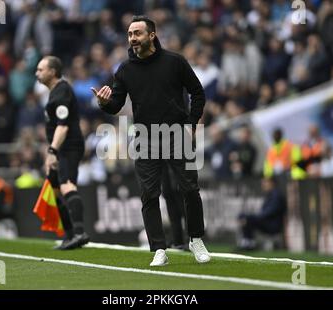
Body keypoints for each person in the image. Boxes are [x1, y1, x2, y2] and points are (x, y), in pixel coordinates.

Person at [91, 15, 210, 266]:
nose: (132, 38)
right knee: (149, 195)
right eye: (130, 34)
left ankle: (196, 239)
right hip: (144, 138)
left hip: (177, 134)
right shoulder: (125, 70)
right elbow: (116, 105)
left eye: (137, 33)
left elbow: (197, 93)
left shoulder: (174, 62)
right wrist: (104, 103)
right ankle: (158, 249)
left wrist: (190, 124)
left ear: (152, 35)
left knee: (189, 189)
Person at [35, 56, 89, 250]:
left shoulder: (62, 91)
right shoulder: (54, 93)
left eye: (41, 69)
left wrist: (52, 151)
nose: (37, 73)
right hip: (60, 148)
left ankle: (80, 232)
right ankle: (70, 235)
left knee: (67, 185)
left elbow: (63, 126)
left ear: (52, 71)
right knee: (56, 189)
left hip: (68, 146)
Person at [237, 177, 287, 250]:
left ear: (271, 183)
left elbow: (270, 212)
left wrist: (256, 217)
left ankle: (248, 243)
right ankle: (247, 242)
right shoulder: (271, 194)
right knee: (244, 216)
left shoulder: (276, 195)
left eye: (265, 182)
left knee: (248, 219)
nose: (263, 185)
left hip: (273, 225)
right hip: (268, 222)